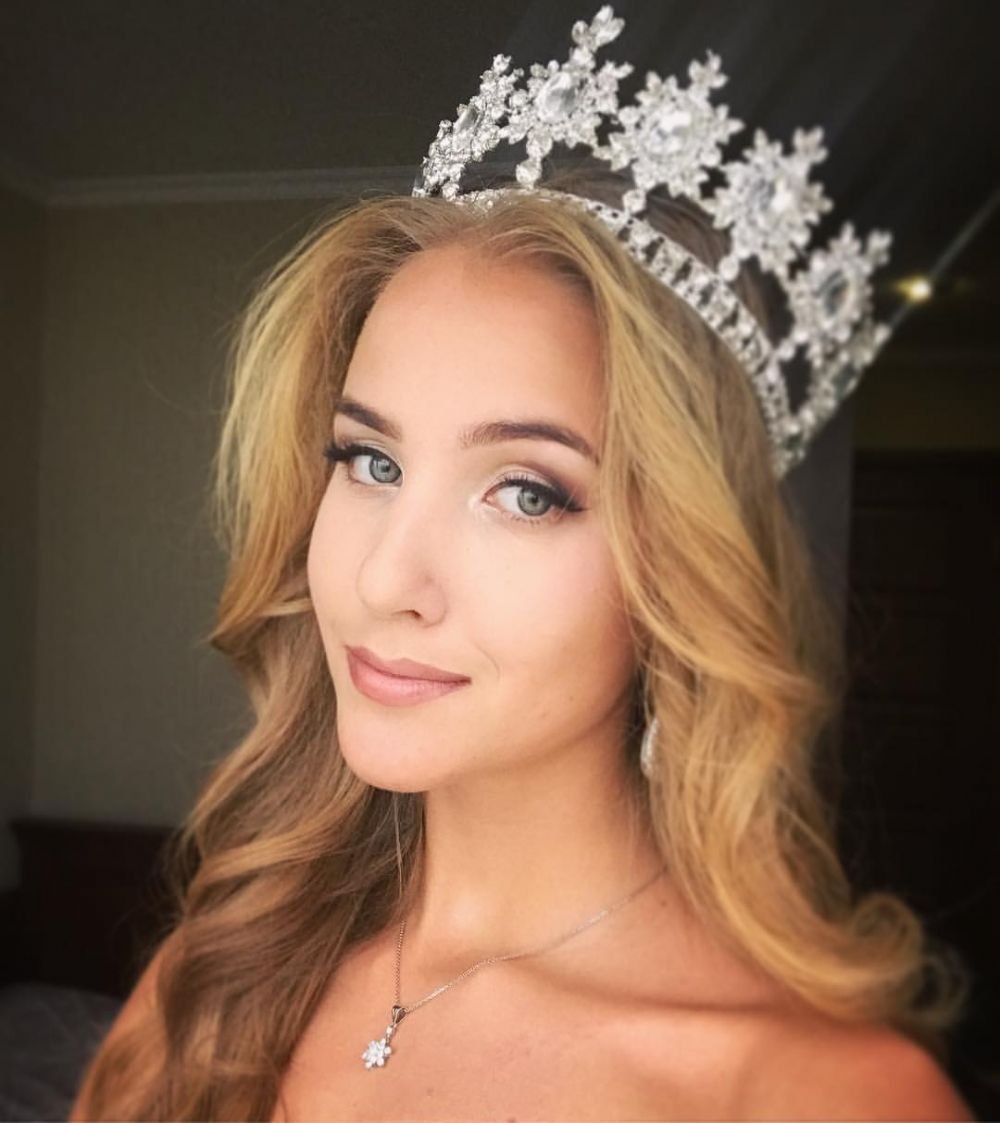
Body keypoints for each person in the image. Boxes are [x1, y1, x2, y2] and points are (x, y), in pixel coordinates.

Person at [71, 10, 976, 1121]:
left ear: (678, 563)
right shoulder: (214, 984)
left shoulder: (815, 1095)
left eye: (526, 492)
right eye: (369, 461)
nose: (384, 581)